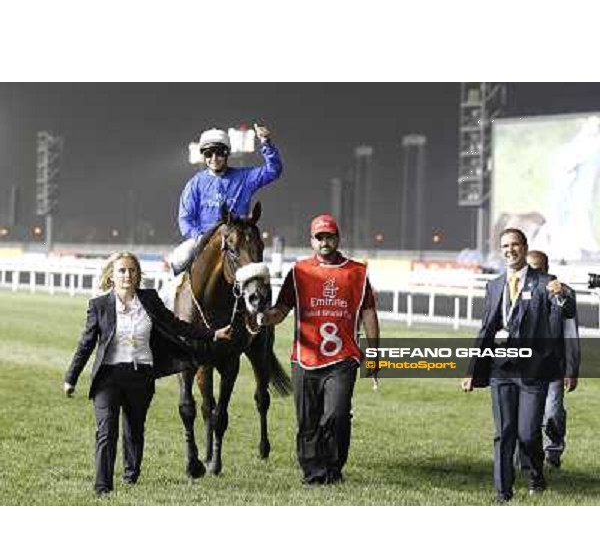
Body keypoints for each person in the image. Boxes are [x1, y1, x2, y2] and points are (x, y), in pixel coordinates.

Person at [64, 251, 232, 496]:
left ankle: (131, 476)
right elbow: (86, 344)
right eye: (121, 270)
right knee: (106, 431)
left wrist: (213, 334)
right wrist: (71, 377)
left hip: (140, 376)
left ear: (138, 275)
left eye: (132, 270)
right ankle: (103, 486)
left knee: (135, 429)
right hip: (108, 378)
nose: (127, 275)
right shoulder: (99, 306)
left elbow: (176, 326)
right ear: (112, 276)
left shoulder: (150, 300)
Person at [259, 214, 380, 484]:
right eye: (319, 237)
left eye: (329, 236)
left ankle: (333, 469)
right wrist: (263, 318)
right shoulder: (299, 272)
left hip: (343, 358)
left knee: (337, 415)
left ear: (338, 238)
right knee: (307, 421)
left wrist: (374, 355)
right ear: (311, 241)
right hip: (305, 359)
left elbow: (369, 314)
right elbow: (281, 311)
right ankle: (313, 473)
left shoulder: (357, 273)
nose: (325, 242)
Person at [461, 229, 575, 503]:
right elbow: (486, 328)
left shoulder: (545, 282)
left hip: (532, 372)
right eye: (504, 246)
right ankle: (503, 493)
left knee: (527, 433)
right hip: (501, 370)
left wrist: (563, 295)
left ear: (524, 247)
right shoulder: (495, 285)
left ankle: (536, 475)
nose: (509, 250)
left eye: (514, 245)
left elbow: (566, 309)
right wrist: (471, 371)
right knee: (504, 433)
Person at [170, 123, 283, 275]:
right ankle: (172, 296)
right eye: (208, 154)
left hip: (237, 240)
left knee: (258, 272)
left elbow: (273, 170)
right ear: (203, 156)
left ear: (227, 153)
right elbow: (185, 218)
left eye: (219, 153)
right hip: (204, 239)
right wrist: (198, 236)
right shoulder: (195, 183)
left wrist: (266, 143)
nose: (214, 158)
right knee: (178, 259)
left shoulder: (245, 178)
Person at [524, 250, 579, 469]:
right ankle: (525, 460)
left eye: (538, 269)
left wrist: (572, 368)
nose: (534, 274)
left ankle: (553, 452)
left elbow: (570, 333)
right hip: (525, 365)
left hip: (554, 365)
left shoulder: (564, 293)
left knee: (553, 412)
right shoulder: (518, 290)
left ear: (547, 269)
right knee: (527, 416)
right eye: (530, 269)